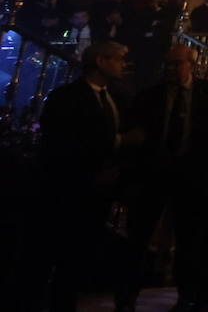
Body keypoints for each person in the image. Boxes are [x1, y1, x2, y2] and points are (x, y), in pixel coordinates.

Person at [119, 45, 208, 312]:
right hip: (153, 175)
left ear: (192, 65)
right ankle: (127, 298)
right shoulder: (148, 96)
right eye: (168, 64)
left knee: (189, 240)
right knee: (138, 238)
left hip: (191, 177)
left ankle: (186, 297)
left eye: (178, 64)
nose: (172, 69)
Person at [39, 41, 138, 312]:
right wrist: (118, 141)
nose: (123, 65)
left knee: (83, 252)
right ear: (100, 62)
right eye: (117, 59)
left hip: (102, 191)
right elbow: (65, 142)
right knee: (63, 253)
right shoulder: (67, 97)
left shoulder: (117, 98)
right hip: (72, 188)